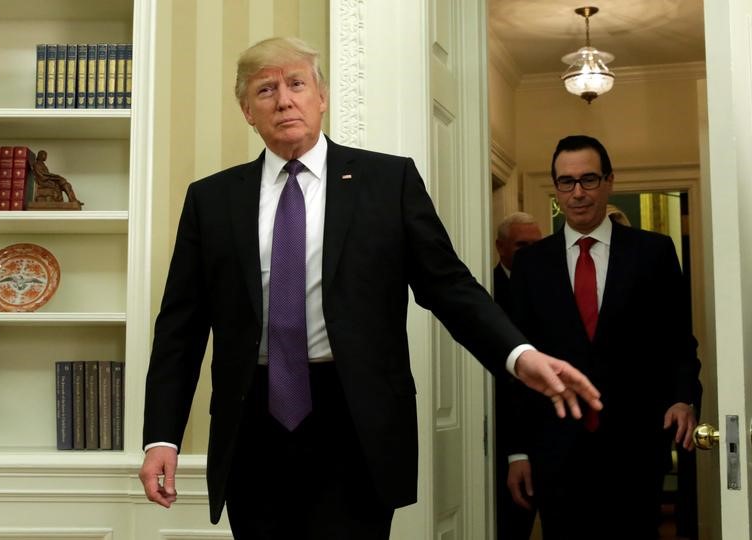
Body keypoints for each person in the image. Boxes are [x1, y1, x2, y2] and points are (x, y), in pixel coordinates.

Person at [138, 37, 602, 540]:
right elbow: (180, 328)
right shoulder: (211, 200)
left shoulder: (387, 181)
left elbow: (448, 286)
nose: (284, 99)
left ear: (322, 97)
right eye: (265, 89)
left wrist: (517, 354)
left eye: (297, 83)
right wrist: (161, 436)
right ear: (248, 111)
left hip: (355, 422)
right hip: (253, 425)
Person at [506, 135, 701, 540]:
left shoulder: (654, 253)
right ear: (557, 188)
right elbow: (517, 363)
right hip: (556, 449)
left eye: (589, 179)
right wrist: (518, 451)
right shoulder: (530, 264)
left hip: (636, 448)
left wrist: (684, 398)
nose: (577, 193)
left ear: (609, 181)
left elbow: (679, 341)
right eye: (566, 182)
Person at [491, 211, 542, 540]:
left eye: (536, 245)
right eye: (522, 245)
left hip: (547, 428)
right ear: (501, 247)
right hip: (501, 433)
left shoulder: (547, 285)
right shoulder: (489, 291)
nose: (531, 253)